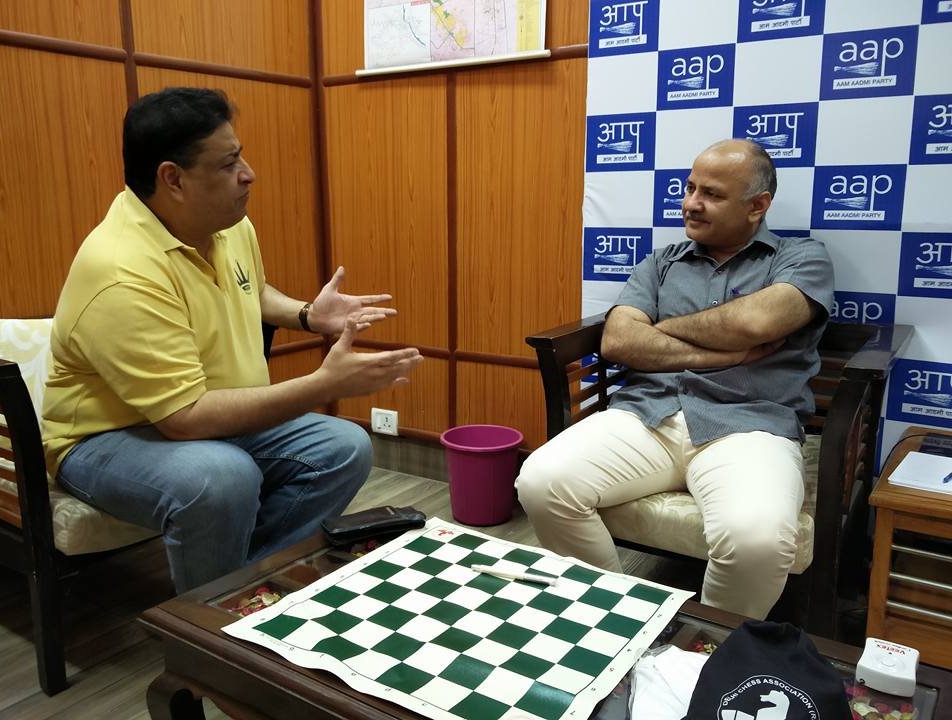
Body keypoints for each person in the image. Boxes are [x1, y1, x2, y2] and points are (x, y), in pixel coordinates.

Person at [41, 87, 423, 593]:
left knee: (345, 447)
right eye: (227, 164)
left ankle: (244, 583)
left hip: (206, 418)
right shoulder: (121, 270)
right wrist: (324, 383)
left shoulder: (225, 224)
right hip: (106, 439)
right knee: (223, 477)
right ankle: (210, 618)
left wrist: (308, 315)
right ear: (173, 179)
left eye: (239, 156)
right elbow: (184, 418)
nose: (248, 174)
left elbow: (250, 288)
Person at [517, 139, 834, 620]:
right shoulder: (662, 261)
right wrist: (727, 352)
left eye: (711, 194)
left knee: (757, 539)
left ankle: (704, 646)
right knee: (542, 482)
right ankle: (617, 617)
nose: (691, 203)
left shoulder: (800, 257)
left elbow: (758, 322)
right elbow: (619, 340)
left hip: (749, 425)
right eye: (690, 188)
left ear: (757, 206)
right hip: (649, 415)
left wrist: (661, 330)